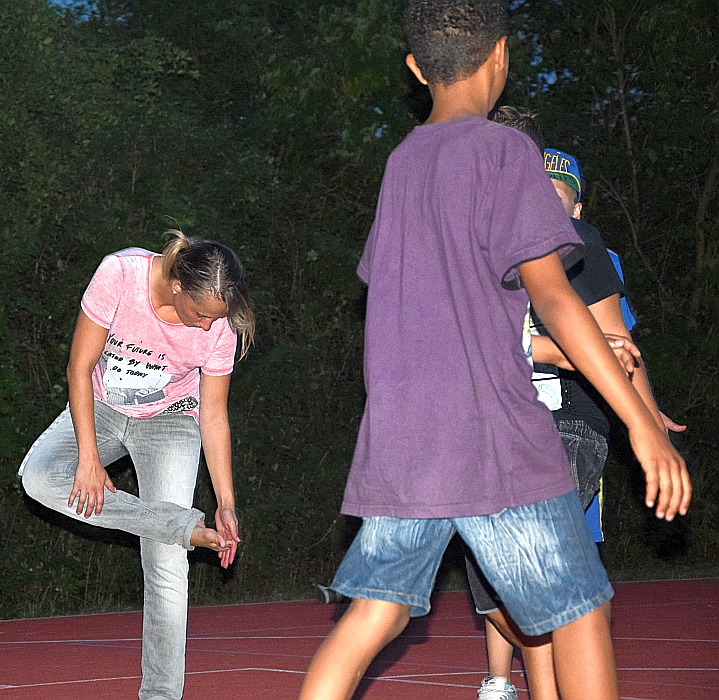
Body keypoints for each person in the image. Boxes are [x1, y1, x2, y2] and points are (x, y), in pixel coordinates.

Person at [296, 3, 691, 700]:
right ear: (501, 54)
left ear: (416, 68)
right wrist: (640, 422)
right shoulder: (505, 151)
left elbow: (399, 300)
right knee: (579, 611)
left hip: (401, 439)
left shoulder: (401, 162)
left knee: (373, 616)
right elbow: (556, 297)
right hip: (491, 435)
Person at [467, 126, 674, 700]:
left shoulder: (586, 244)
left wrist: (647, 418)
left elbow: (620, 343)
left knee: (544, 572)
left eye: (559, 193)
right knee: (500, 583)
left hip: (569, 425)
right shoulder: (487, 249)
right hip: (500, 432)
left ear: (576, 207)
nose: (546, 199)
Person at [19, 230, 253, 700]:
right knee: (40, 478)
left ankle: (161, 695)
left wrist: (226, 502)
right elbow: (79, 366)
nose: (208, 326)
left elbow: (213, 413)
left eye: (216, 318)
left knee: (166, 560)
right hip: (101, 408)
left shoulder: (221, 325)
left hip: (170, 420)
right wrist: (89, 458)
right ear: (177, 286)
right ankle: (176, 525)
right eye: (201, 315)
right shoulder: (120, 275)